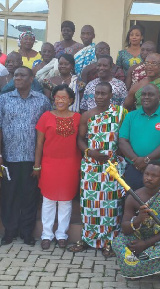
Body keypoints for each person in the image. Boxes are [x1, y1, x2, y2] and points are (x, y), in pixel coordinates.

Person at [0, 67, 51, 246]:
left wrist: (40, 161)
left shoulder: (42, 101)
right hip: (9, 157)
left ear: (32, 78)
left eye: (22, 75)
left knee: (29, 196)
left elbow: (47, 128)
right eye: (16, 75)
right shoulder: (4, 99)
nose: (17, 78)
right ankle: (9, 231)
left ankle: (27, 233)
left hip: (32, 159)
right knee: (9, 196)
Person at [68, 82, 127, 256]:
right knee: (89, 204)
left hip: (112, 167)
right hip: (91, 166)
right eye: (97, 93)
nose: (100, 97)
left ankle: (110, 241)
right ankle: (88, 238)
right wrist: (90, 152)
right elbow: (79, 139)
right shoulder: (87, 115)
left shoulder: (121, 113)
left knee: (111, 205)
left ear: (111, 95)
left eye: (104, 94)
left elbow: (124, 137)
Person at [112, 161, 160, 287]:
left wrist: (146, 244)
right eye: (146, 174)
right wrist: (138, 219)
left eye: (154, 175)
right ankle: (136, 270)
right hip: (139, 236)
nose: (149, 178)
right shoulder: (133, 196)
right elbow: (125, 228)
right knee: (118, 242)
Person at [34, 84, 81, 250]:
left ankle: (62, 234)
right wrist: (37, 165)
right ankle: (46, 234)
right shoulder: (46, 117)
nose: (60, 101)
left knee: (66, 200)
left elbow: (80, 142)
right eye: (57, 97)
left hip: (70, 164)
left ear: (71, 100)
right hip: (49, 163)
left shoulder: (78, 118)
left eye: (64, 98)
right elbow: (39, 143)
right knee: (48, 200)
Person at [119, 84, 160, 190]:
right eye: (143, 94)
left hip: (158, 170)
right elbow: (123, 141)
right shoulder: (130, 116)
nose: (146, 97)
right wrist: (136, 161)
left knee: (156, 204)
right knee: (132, 200)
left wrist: (146, 160)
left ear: (159, 98)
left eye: (150, 94)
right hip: (133, 168)